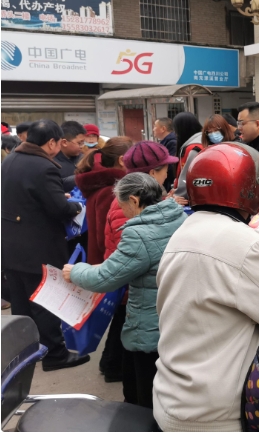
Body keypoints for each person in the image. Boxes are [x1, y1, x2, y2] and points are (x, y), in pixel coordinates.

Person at [152, 143, 259, 431]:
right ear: (247, 189)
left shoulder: (185, 231)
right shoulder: (240, 242)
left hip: (173, 395)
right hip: (213, 415)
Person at [63, 173, 187, 409]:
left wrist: (76, 271)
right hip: (171, 316)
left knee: (143, 394)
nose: (122, 211)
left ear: (134, 200)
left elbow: (105, 278)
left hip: (148, 325)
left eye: (122, 206)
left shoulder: (139, 233)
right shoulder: (177, 216)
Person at [1, 119, 88, 371]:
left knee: (21, 304)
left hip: (10, 245)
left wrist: (58, 196)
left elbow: (27, 197)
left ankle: (25, 352)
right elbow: (59, 209)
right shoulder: (43, 166)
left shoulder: (11, 159)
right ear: (51, 143)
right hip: (37, 246)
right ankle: (55, 355)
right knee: (45, 302)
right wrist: (76, 206)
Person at [73, 136, 133, 383]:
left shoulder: (101, 182)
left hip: (103, 257)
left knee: (120, 314)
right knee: (122, 314)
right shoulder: (111, 190)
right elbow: (107, 234)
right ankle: (113, 365)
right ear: (122, 160)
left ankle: (110, 362)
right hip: (109, 259)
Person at [172, 112, 203, 198]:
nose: (175, 133)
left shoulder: (193, 149)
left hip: (188, 198)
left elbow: (185, 178)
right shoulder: (202, 142)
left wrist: (177, 195)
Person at [56, 120, 86, 192]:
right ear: (64, 142)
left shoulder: (84, 159)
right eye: (79, 143)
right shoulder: (52, 162)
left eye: (83, 143)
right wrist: (81, 178)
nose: (82, 146)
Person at [152, 117, 177, 192]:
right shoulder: (165, 142)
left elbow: (171, 165)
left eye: (155, 126)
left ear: (163, 129)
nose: (153, 129)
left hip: (170, 180)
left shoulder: (172, 142)